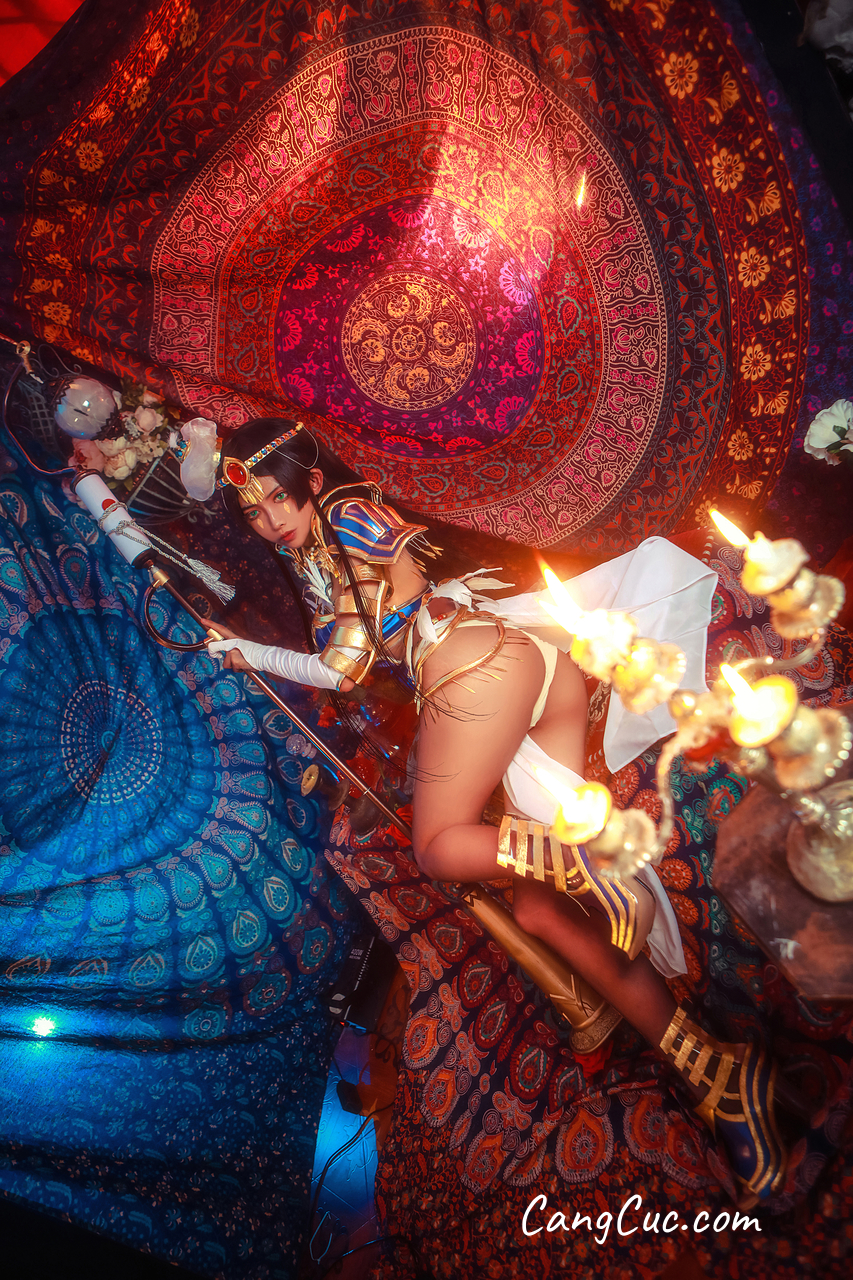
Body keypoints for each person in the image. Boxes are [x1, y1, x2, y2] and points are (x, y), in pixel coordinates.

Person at [208, 416, 795, 1209]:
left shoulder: (344, 518)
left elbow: (343, 667)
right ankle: (716, 1074)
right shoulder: (323, 540)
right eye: (253, 511)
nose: (270, 519)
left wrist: (245, 651)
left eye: (279, 498)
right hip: (520, 668)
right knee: (539, 910)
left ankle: (582, 861)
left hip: (477, 667)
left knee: (441, 847)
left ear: (311, 481)